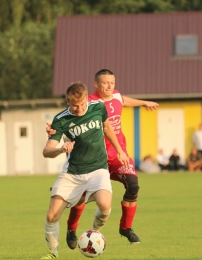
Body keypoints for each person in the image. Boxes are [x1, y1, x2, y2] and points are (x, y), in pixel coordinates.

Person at [46, 69, 159, 248]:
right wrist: (54, 128)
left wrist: (144, 102)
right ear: (96, 84)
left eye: (112, 83)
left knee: (133, 185)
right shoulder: (88, 102)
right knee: (80, 197)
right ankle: (72, 228)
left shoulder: (116, 96)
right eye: (105, 83)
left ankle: (125, 228)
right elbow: (71, 112)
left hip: (117, 155)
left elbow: (123, 101)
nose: (109, 86)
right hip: (93, 158)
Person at [41, 82, 129, 259]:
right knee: (51, 216)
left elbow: (107, 127)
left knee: (105, 205)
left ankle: (93, 233)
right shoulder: (61, 119)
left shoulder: (98, 107)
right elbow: (46, 151)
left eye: (82, 104)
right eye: (75, 105)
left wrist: (119, 150)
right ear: (68, 102)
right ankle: (52, 252)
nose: (79, 109)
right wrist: (61, 149)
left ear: (87, 99)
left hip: (98, 169)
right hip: (73, 172)